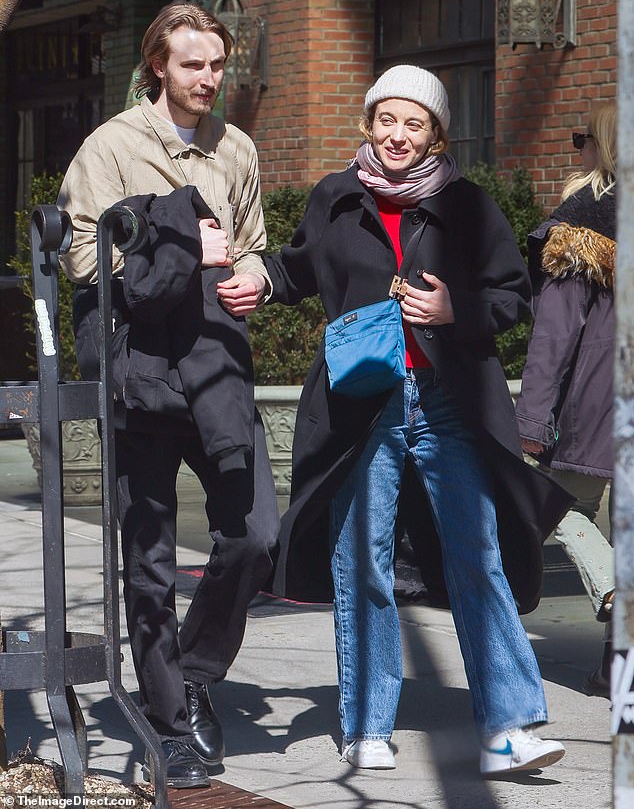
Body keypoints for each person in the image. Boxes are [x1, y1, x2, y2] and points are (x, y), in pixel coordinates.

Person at [218, 65, 573, 776]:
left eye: (415, 123)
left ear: (436, 132)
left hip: (451, 402)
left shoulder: (468, 206)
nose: (398, 135)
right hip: (362, 401)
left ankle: (508, 727)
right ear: (369, 122)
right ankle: (366, 725)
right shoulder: (335, 196)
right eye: (387, 119)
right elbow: (294, 270)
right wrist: (256, 275)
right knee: (364, 564)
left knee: (479, 557)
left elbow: (513, 296)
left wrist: (454, 310)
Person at [57, 3, 280, 789]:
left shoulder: (238, 148)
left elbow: (250, 244)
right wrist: (178, 242)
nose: (208, 79)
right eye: (193, 65)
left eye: (217, 65)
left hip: (218, 366)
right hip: (143, 368)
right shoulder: (112, 146)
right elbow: (84, 257)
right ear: (159, 63)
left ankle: (191, 672)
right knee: (148, 559)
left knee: (256, 533)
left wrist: (249, 273)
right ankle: (168, 724)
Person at [515, 103, 616, 699]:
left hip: (596, 402)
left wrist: (531, 418)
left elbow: (555, 334)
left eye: (582, 138)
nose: (575, 147)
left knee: (549, 502)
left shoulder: (582, 226)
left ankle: (609, 586)